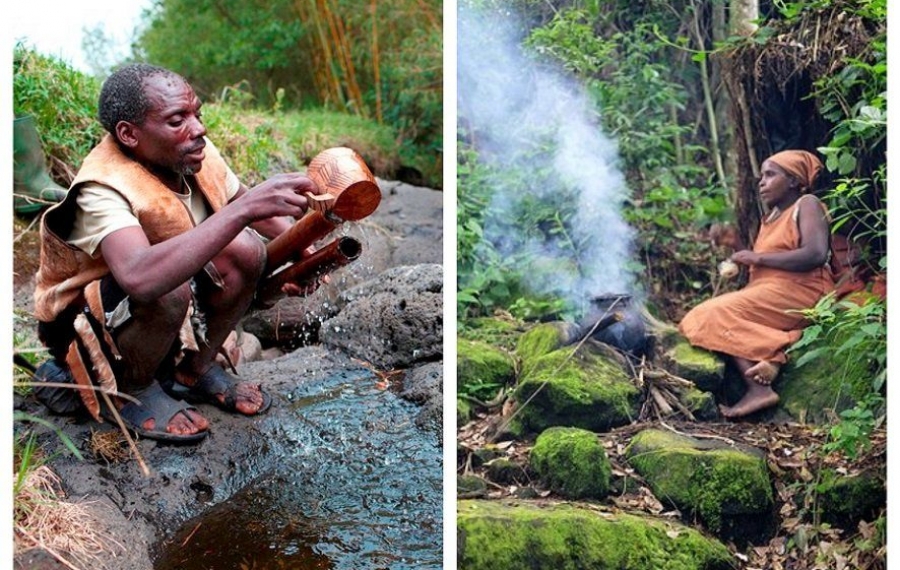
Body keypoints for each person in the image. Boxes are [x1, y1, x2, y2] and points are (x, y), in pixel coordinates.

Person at [33, 63, 320, 443]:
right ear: (129, 134)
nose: (198, 128)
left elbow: (236, 199)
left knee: (247, 250)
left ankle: (196, 368)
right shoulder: (98, 189)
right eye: (177, 120)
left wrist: (301, 247)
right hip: (83, 322)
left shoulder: (190, 150)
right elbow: (140, 276)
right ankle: (133, 391)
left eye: (196, 113)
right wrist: (245, 211)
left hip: (159, 303)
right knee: (168, 284)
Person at [679, 150, 834, 418]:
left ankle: (761, 387)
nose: (762, 182)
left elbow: (815, 253)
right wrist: (737, 246)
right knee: (707, 315)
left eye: (771, 174)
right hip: (772, 291)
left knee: (708, 314)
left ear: (795, 181)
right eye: (761, 176)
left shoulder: (806, 204)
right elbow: (769, 264)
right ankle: (772, 357)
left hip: (804, 291)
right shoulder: (771, 217)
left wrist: (757, 256)